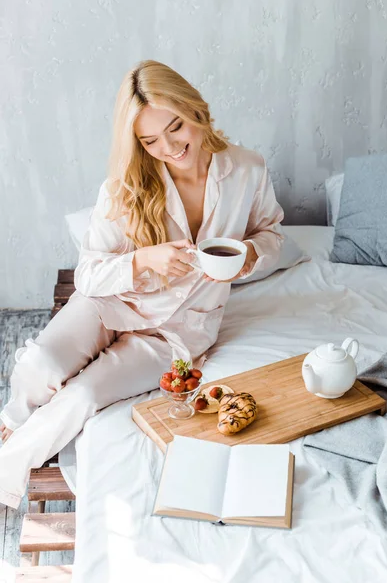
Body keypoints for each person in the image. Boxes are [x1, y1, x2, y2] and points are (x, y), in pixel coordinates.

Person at [0, 60, 284, 508]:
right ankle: (14, 419)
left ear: (196, 109)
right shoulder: (125, 185)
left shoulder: (247, 169)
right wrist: (141, 261)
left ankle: (3, 475)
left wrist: (249, 255)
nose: (170, 148)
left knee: (84, 395)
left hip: (179, 330)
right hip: (110, 304)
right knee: (40, 367)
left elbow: (270, 232)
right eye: (150, 140)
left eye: (176, 128)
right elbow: (89, 275)